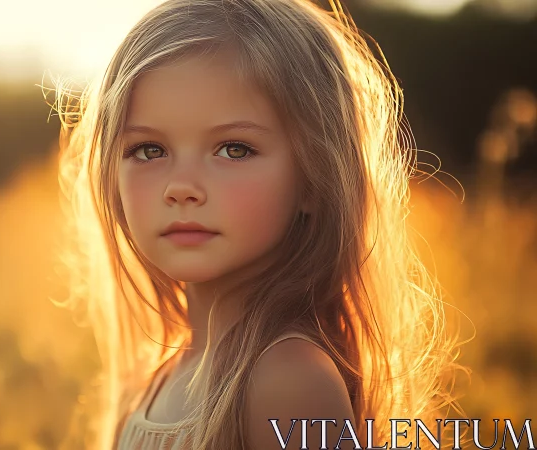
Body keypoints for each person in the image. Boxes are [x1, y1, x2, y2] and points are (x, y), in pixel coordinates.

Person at [49, 0, 467, 448]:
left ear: (313, 178)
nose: (182, 187)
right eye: (150, 150)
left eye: (234, 149)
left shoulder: (288, 381)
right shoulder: (160, 372)